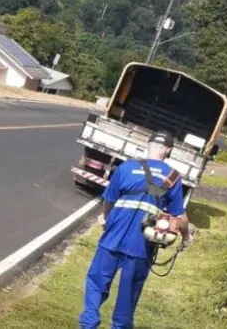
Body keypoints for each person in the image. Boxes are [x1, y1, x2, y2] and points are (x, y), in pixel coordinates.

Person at [78, 131, 191, 329]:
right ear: (169, 151)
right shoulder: (173, 177)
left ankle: (89, 324)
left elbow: (109, 200)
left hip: (112, 238)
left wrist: (105, 219)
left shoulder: (126, 167)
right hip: (141, 246)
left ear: (147, 145)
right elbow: (180, 218)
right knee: (128, 296)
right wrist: (187, 236)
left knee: (96, 283)